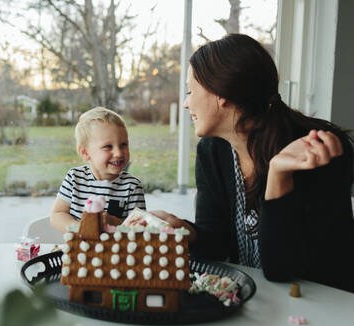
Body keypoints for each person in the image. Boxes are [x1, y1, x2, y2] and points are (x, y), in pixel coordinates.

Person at [151, 34, 354, 292]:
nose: (185, 103)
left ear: (221, 93)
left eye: (191, 91)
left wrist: (278, 175)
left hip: (321, 305)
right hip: (254, 299)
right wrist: (187, 231)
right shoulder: (212, 151)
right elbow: (218, 243)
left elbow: (284, 269)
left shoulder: (318, 151)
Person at [50, 106, 146, 233]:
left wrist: (111, 222)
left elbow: (140, 229)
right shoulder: (75, 178)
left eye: (123, 144)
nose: (118, 153)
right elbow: (57, 214)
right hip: (79, 249)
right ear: (85, 153)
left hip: (116, 251)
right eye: (108, 146)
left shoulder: (132, 186)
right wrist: (81, 230)